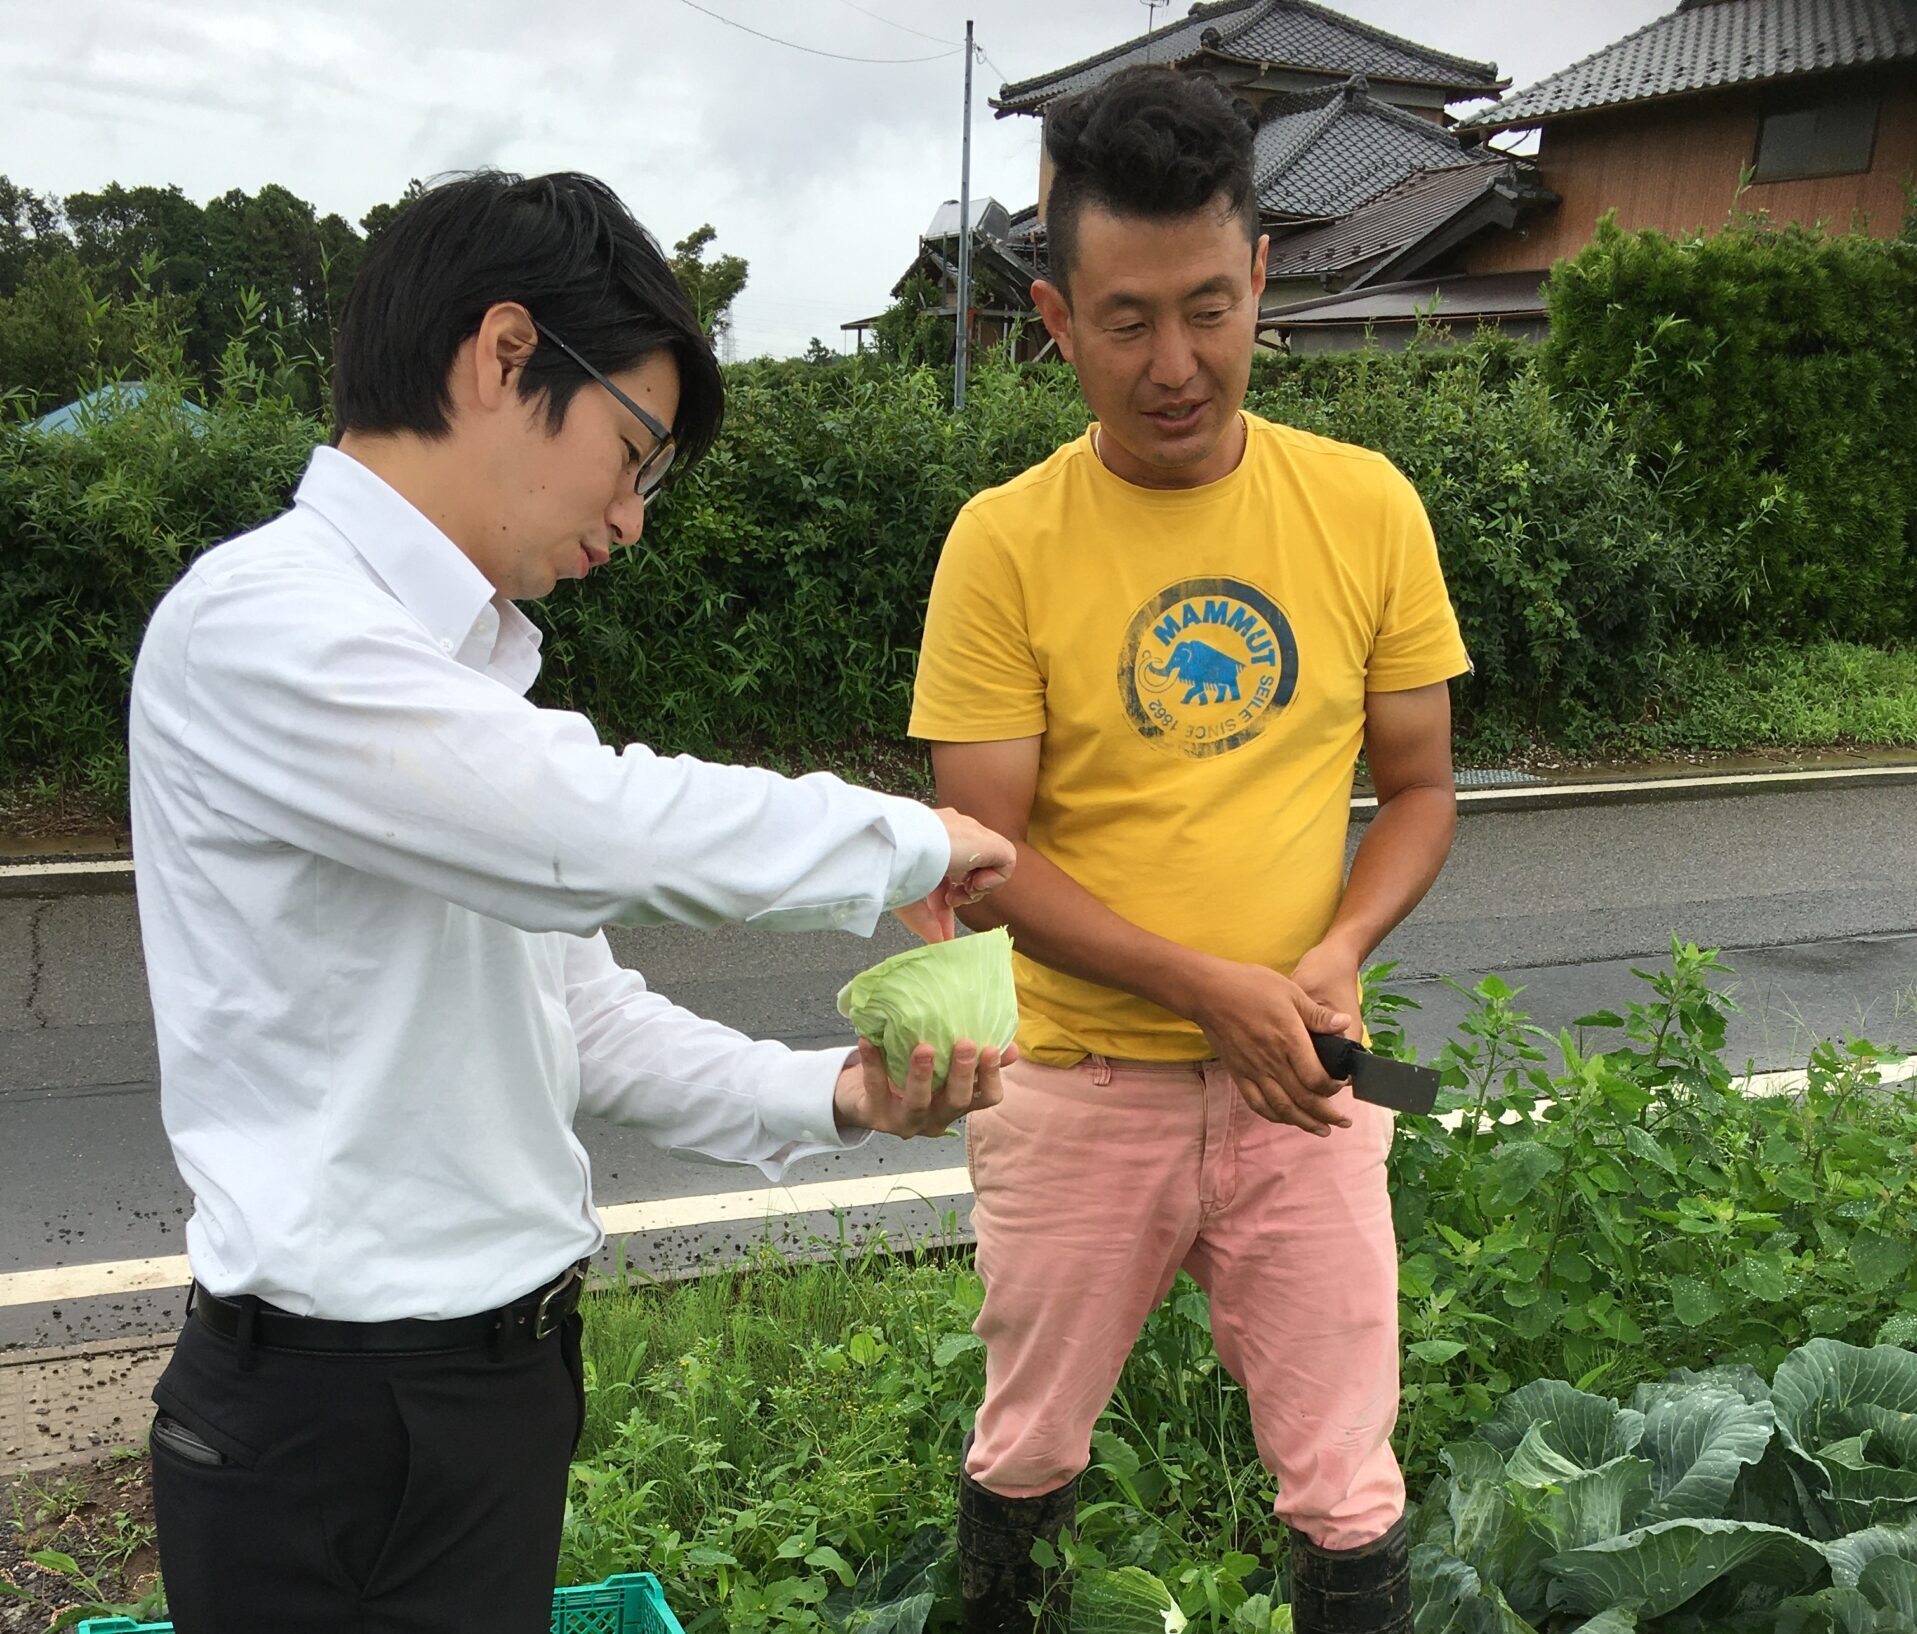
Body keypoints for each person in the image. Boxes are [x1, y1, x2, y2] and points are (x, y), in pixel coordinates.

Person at [128, 169, 1018, 1634]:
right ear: (502, 356)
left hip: (495, 1373)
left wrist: (835, 1096)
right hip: (333, 1414)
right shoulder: (265, 625)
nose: (633, 513)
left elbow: (579, 1014)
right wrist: (907, 840)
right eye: (633, 450)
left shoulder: (460, 674)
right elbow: (587, 825)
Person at [910, 68, 1472, 1634]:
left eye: (1210, 310)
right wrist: (1201, 987)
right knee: (1025, 1443)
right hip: (1078, 1087)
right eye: (1128, 320)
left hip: (1305, 1078)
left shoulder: (1363, 507)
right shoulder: (1003, 541)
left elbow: (1418, 788)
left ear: (1261, 279)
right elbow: (981, 856)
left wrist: (1332, 954)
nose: (1176, 365)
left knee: (1348, 1483)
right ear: (1053, 313)